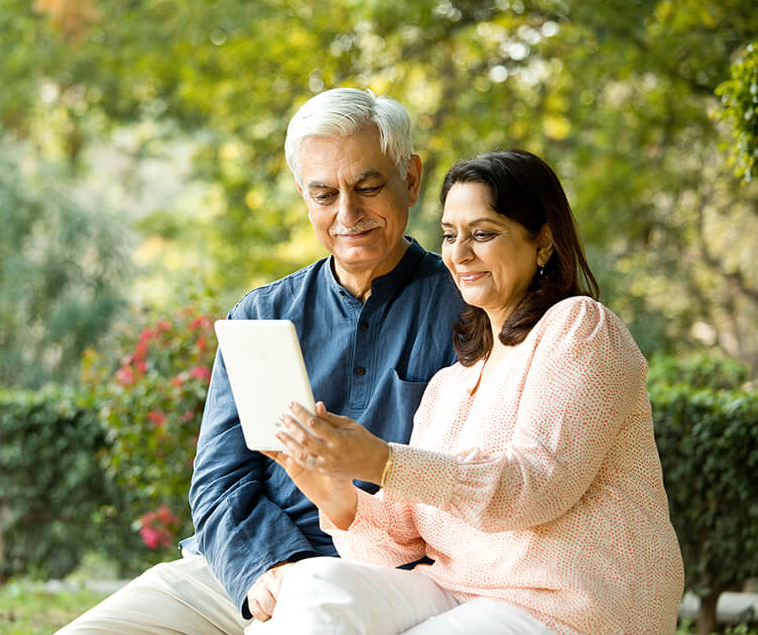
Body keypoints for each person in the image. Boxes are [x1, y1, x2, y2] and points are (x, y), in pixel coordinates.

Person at [57, 88, 464, 634]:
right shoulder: (262, 315)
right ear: (303, 194)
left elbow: (483, 482)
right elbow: (219, 480)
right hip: (247, 569)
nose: (348, 214)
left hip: (384, 580)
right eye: (324, 195)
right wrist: (269, 568)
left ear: (410, 179)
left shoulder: (470, 309)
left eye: (368, 187)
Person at [259, 149, 686, 635]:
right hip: (456, 590)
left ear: (543, 241)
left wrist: (380, 460)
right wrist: (331, 491)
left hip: (565, 604)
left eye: (482, 234)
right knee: (314, 586)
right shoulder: (451, 382)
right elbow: (398, 544)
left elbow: (534, 486)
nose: (458, 254)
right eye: (449, 234)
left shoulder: (580, 329)